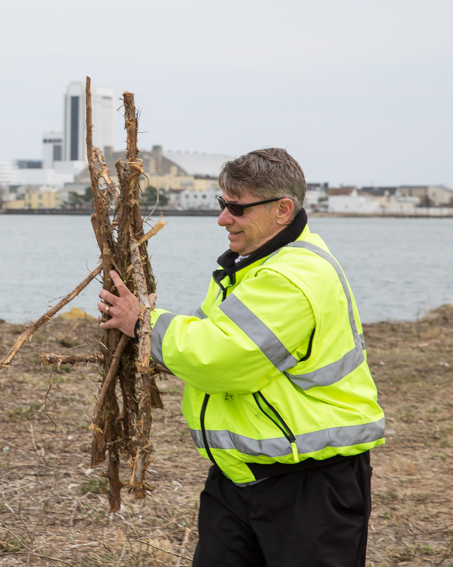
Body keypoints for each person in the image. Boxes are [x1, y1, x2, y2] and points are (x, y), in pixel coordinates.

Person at [98, 148, 384, 567]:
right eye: (222, 204)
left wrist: (145, 325)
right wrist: (154, 340)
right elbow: (208, 335)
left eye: (237, 208)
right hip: (241, 476)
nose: (223, 218)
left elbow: (223, 358)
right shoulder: (250, 268)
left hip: (310, 481)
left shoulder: (292, 277)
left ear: (282, 209)